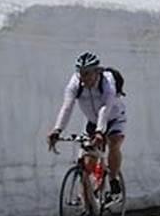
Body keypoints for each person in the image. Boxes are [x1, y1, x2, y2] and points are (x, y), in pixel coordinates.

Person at [47, 51, 126, 196]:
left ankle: (113, 179)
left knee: (114, 143)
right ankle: (88, 203)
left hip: (114, 118)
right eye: (81, 73)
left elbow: (105, 108)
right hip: (92, 121)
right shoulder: (75, 83)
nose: (84, 78)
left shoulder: (107, 82)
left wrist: (100, 132)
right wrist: (57, 130)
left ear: (97, 71)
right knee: (88, 162)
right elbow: (67, 106)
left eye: (87, 73)